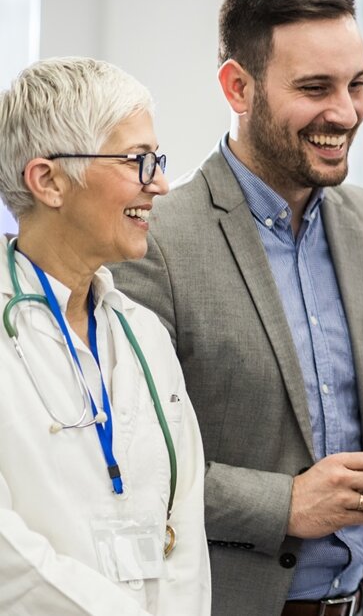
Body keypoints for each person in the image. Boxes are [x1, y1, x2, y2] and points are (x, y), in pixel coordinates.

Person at [111, 0, 363, 616]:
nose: (344, 111)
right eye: (315, 88)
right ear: (238, 87)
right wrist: (287, 505)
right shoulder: (156, 244)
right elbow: (127, 467)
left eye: (357, 84)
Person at [0, 57, 210, 614]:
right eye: (138, 161)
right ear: (48, 180)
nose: (161, 183)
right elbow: (8, 559)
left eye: (156, 161)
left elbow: (185, 524)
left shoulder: (142, 336)